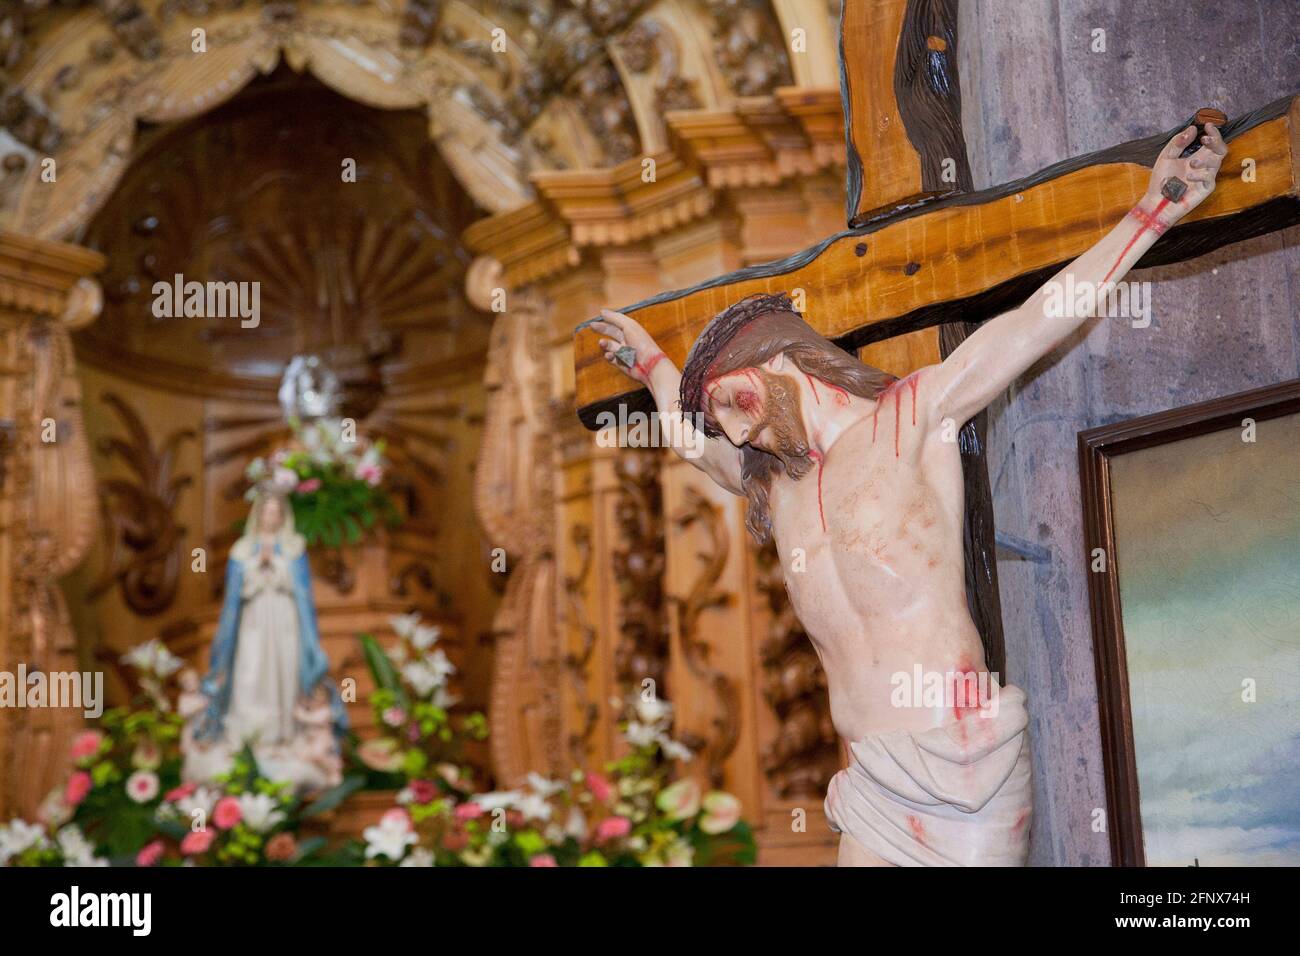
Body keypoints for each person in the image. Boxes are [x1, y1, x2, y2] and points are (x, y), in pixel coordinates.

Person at [584, 122, 1227, 865]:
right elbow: (686, 439)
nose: (733, 432)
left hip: (963, 764)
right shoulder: (778, 480)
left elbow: (1034, 323)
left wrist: (1154, 211)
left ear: (782, 360)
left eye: (732, 401)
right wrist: (654, 364)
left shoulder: (914, 416)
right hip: (870, 780)